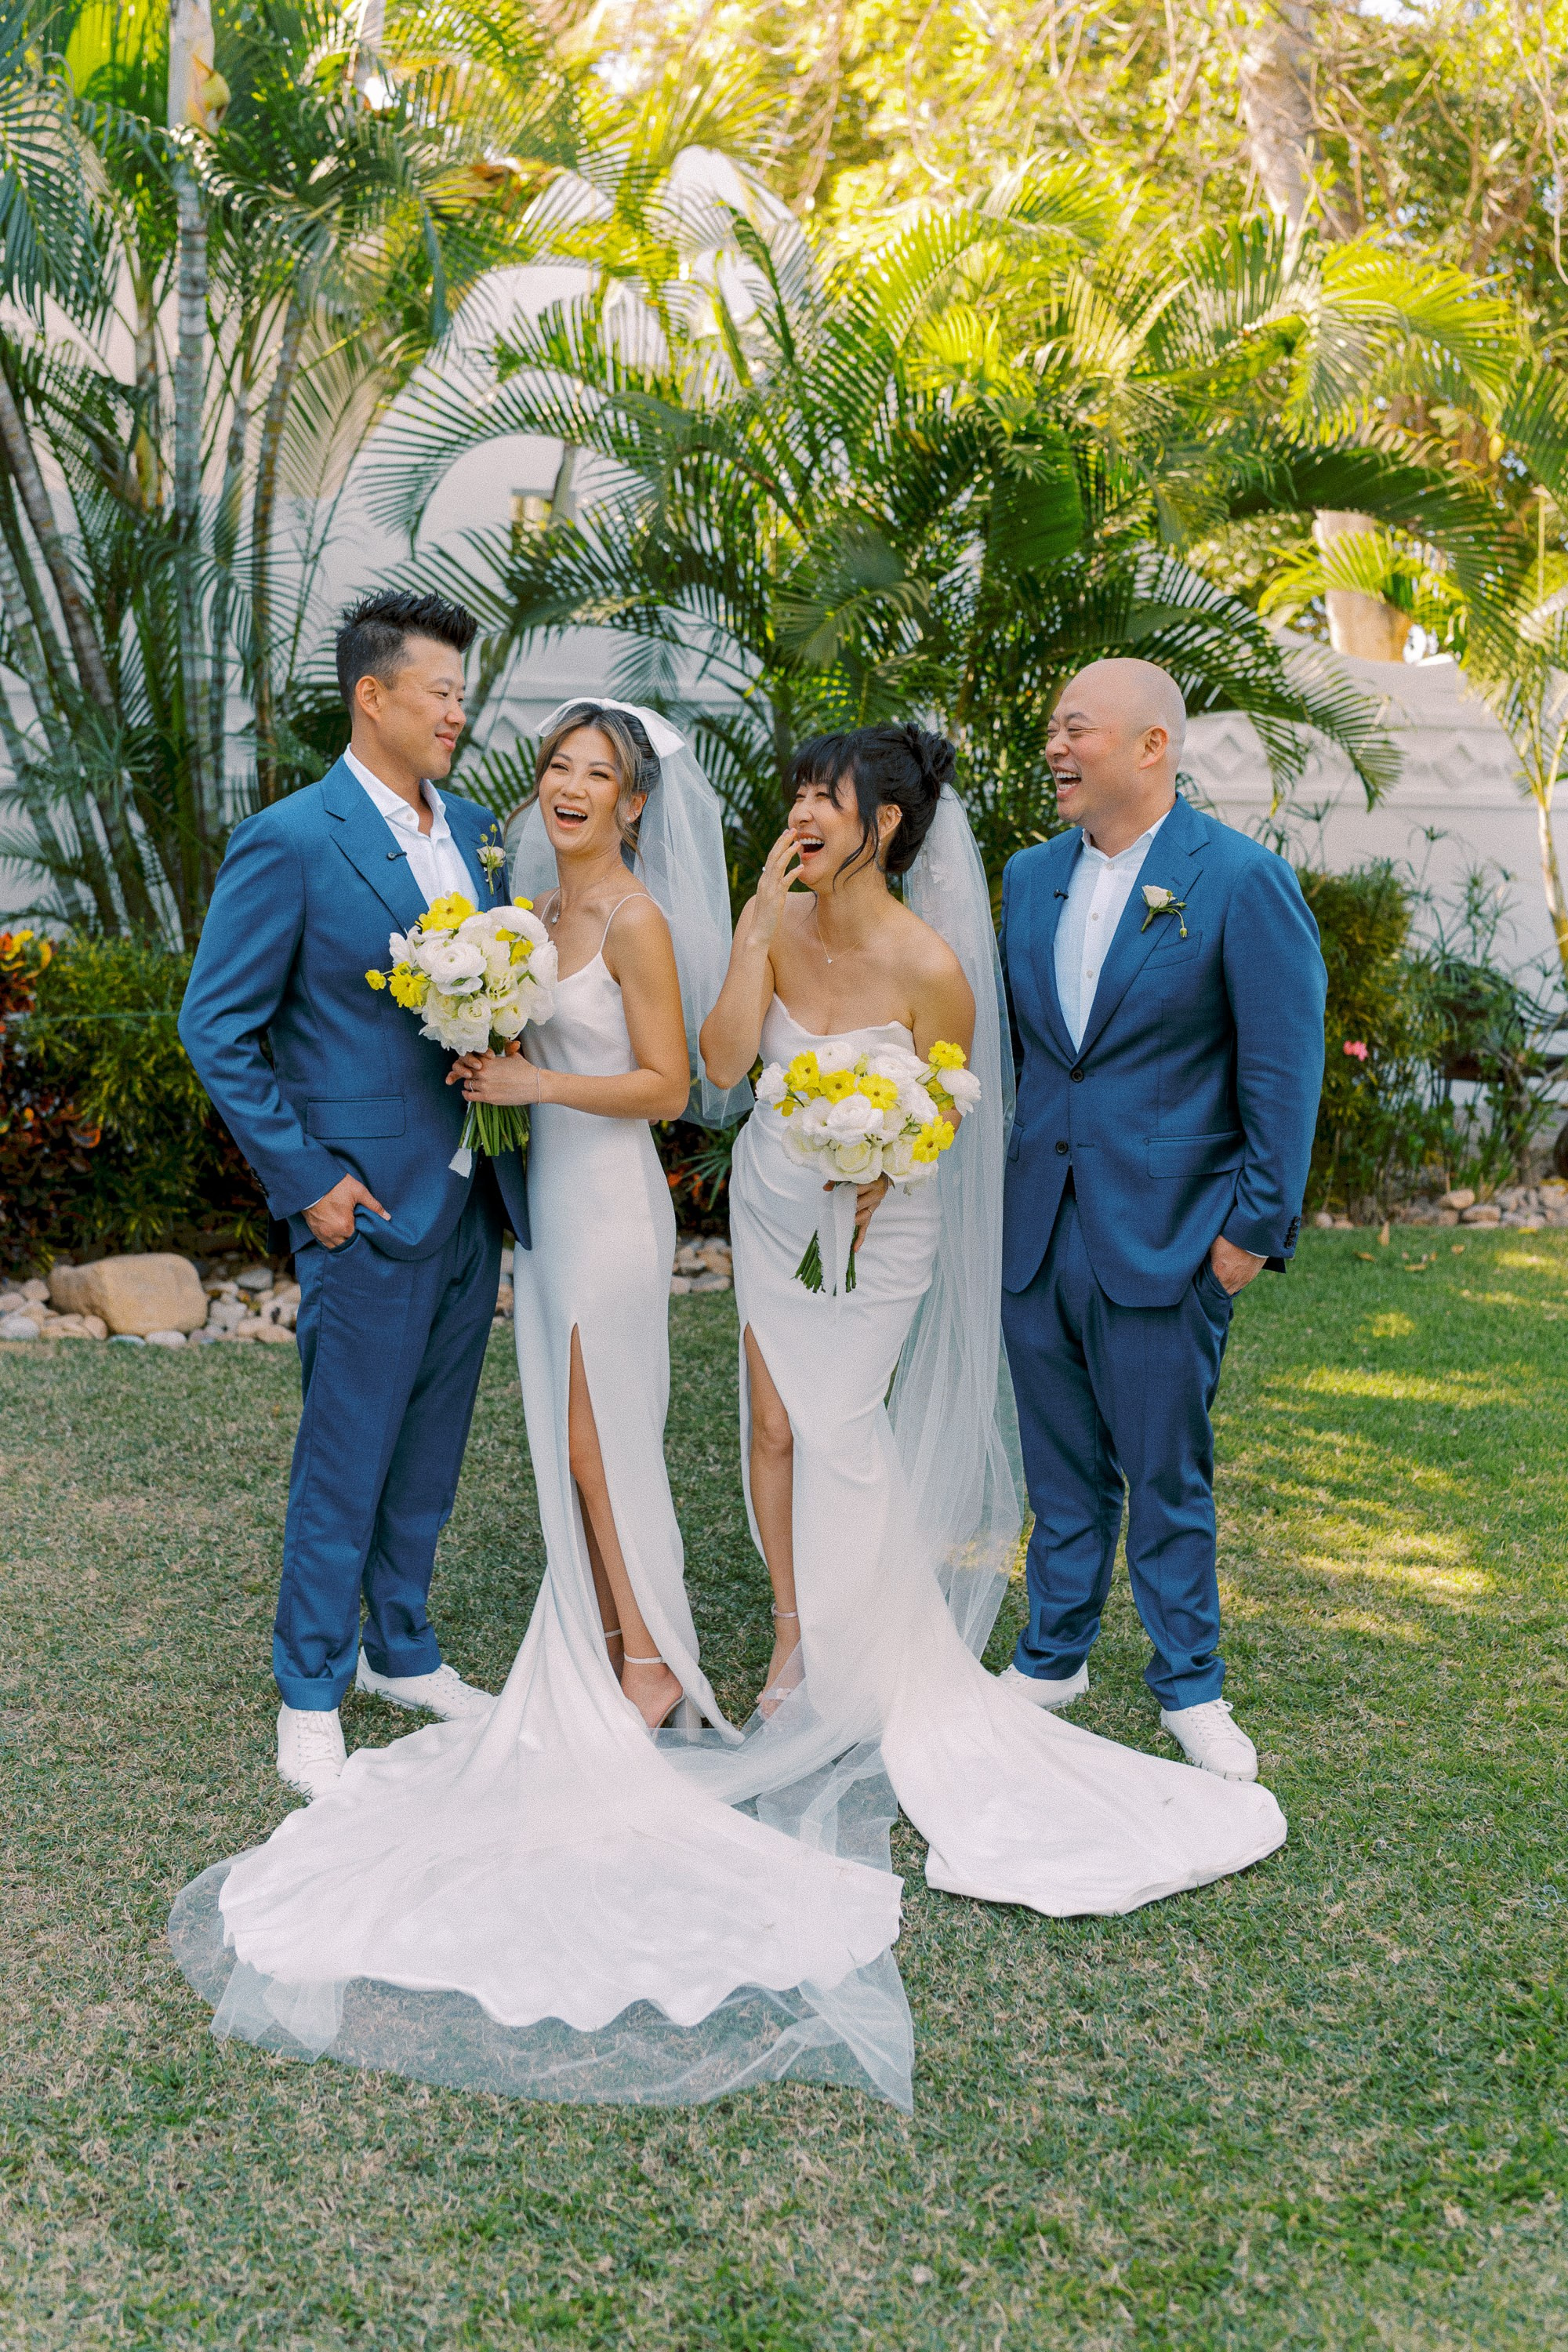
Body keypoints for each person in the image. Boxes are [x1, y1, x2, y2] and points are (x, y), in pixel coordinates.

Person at [170, 702, 905, 2109]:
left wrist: (528, 1075)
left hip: (609, 1207)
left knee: (593, 1435)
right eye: (559, 769)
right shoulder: (514, 908)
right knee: (564, 1448)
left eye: (600, 778)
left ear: (635, 807)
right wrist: (483, 1050)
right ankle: (628, 1647)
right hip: (536, 1209)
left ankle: (645, 1666)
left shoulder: (630, 917)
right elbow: (493, 1043)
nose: (572, 790)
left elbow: (674, 1085)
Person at [691, 722, 1287, 1940]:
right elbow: (719, 1067)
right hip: (770, 1204)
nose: (804, 810)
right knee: (767, 1421)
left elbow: (948, 1112)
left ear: (887, 826)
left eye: (828, 795)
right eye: (798, 791)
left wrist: (879, 1156)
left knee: (840, 1428)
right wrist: (753, 923)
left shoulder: (932, 963)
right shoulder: (781, 921)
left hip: (879, 1220)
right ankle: (794, 1645)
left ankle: (886, 1660)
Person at [178, 590, 529, 1801]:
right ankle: (311, 1688)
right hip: (363, 1206)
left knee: (429, 1450)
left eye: (460, 693)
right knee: (345, 1454)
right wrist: (310, 1184)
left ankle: (403, 1648)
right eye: (439, 690)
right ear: (372, 695)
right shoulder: (293, 837)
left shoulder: (478, 829)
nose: (456, 710)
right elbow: (216, 1026)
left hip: (471, 1194)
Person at [997, 658, 1327, 1779]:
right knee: (1060, 1465)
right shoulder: (1026, 877)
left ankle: (1190, 1682)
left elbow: (1283, 1073)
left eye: (1075, 729)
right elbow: (1030, 1054)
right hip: (1040, 1225)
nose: (1055, 747)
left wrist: (1248, 1234)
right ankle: (1054, 1656)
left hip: (1174, 1234)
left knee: (1166, 1470)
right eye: (1053, 727)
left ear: (1153, 747)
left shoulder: (1237, 880)